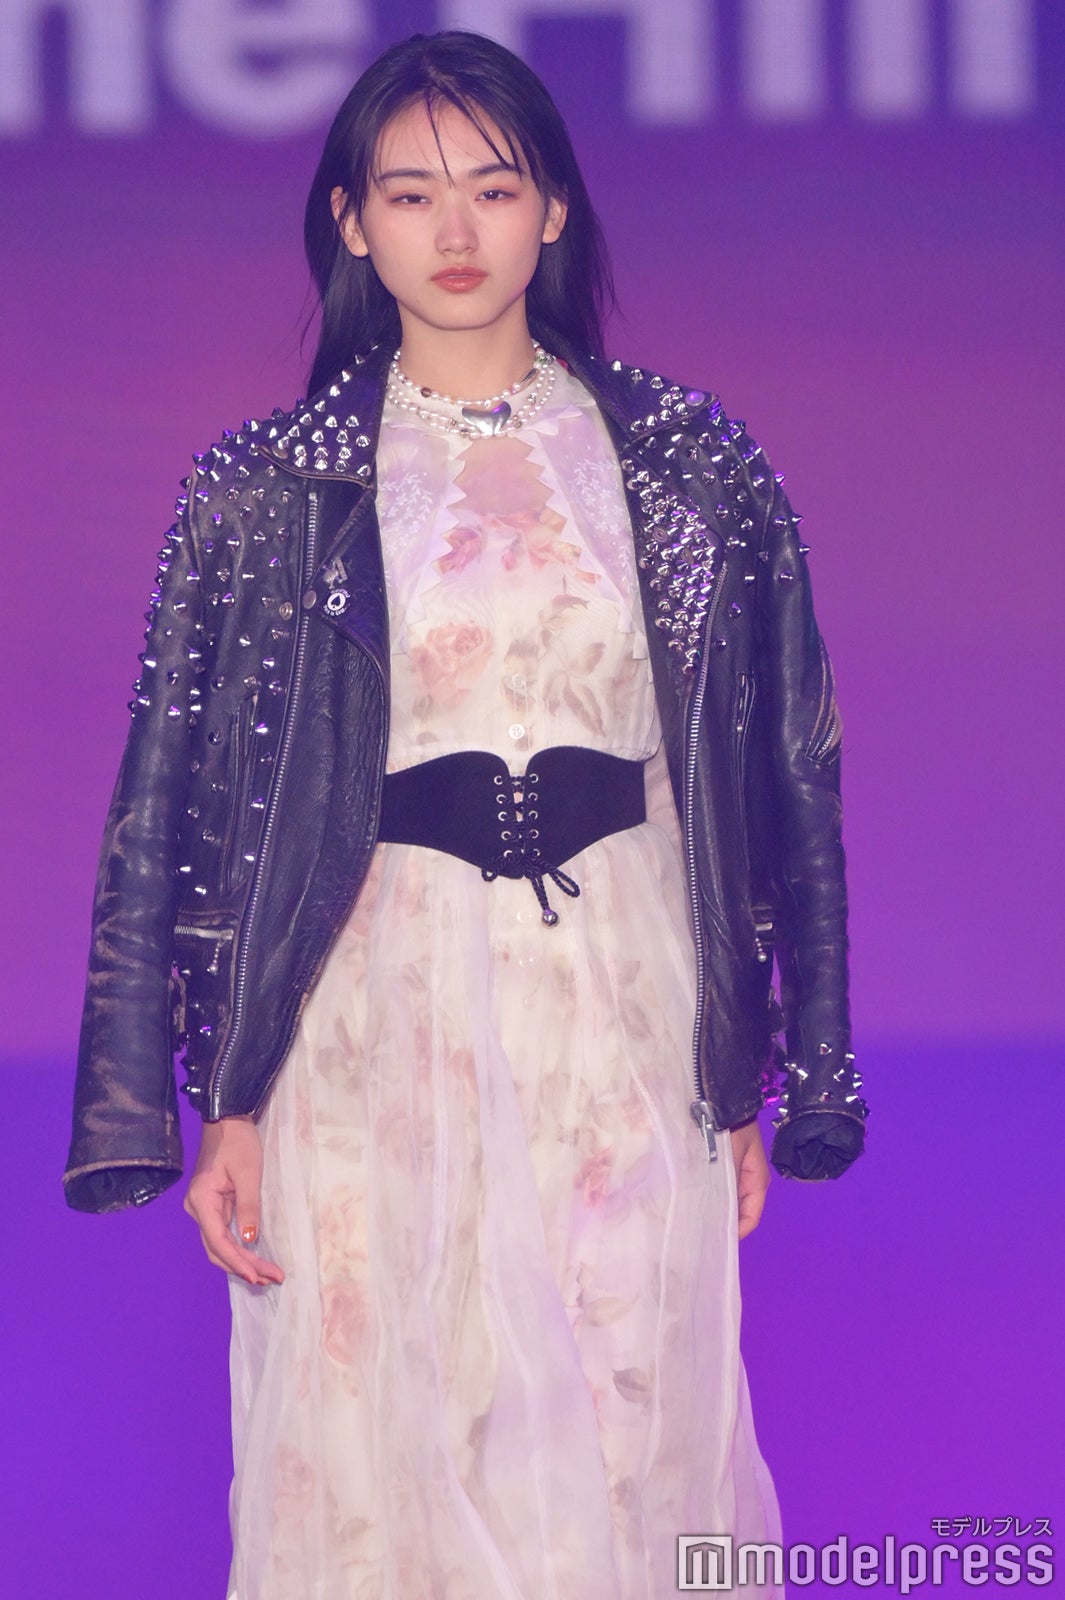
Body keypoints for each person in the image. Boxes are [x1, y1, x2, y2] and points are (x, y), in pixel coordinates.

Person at [64, 28, 866, 1600]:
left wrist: (764, 1070)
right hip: (369, 1013)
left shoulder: (685, 467)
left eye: (492, 190)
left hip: (620, 1005)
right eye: (409, 193)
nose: (454, 230)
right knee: (382, 1433)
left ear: (552, 210)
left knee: (624, 1428)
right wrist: (214, 1099)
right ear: (351, 222)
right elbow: (168, 798)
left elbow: (786, 770)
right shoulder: (266, 492)